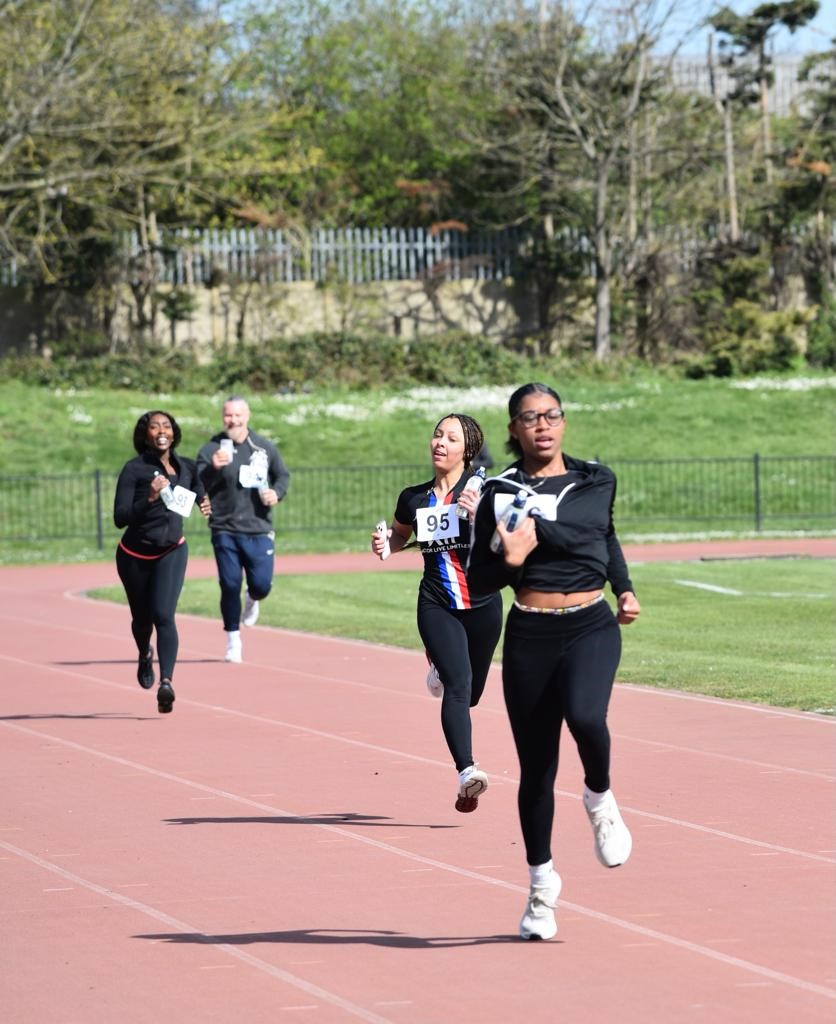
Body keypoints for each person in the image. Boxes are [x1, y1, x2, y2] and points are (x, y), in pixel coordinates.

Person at [466, 382, 641, 941]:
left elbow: (592, 535)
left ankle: (599, 797)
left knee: (588, 718)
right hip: (529, 634)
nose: (543, 425)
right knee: (536, 769)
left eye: (552, 415)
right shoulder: (496, 489)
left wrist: (534, 533)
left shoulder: (594, 479)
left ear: (563, 422)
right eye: (530, 418)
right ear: (514, 430)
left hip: (590, 623)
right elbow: (482, 576)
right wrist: (505, 556)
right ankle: (541, 890)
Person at [371, 413, 503, 813]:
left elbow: (508, 538)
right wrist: (386, 544)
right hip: (436, 602)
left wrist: (484, 512)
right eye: (437, 435)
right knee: (458, 685)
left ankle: (439, 671)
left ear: (469, 449)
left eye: (451, 437)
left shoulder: (486, 490)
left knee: (472, 694)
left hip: (482, 603)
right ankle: (467, 772)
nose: (440, 442)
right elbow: (399, 533)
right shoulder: (413, 498)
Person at [114, 410, 210, 714]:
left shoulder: (187, 467)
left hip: (171, 551)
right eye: (154, 427)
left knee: (164, 616)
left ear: (174, 432)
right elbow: (120, 518)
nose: (161, 430)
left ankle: (166, 682)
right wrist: (150, 500)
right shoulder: (134, 470)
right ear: (145, 435)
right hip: (134, 556)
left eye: (166, 425)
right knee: (142, 620)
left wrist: (203, 501)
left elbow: (197, 491)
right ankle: (145, 652)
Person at [196, 396, 290, 663]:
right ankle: (232, 640)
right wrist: (213, 468)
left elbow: (283, 475)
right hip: (224, 527)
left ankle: (252, 598)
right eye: (228, 415)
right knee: (229, 583)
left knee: (261, 585)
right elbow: (198, 483)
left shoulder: (263, 447)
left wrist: (276, 493)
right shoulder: (211, 449)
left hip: (258, 527)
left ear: (247, 416)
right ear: (222, 417)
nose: (233, 420)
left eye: (238, 415)